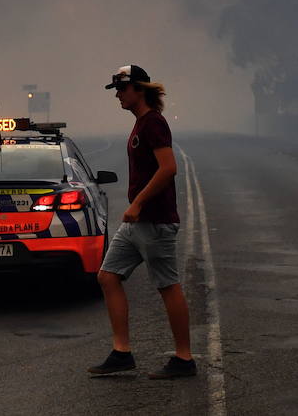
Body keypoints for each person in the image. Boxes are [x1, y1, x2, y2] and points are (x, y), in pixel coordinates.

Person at [88, 64, 196, 380]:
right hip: (137, 224)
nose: (118, 96)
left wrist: (137, 203)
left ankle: (184, 358)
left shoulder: (153, 124)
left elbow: (168, 168)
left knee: (167, 285)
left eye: (122, 90)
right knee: (108, 276)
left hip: (155, 220)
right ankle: (122, 353)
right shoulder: (140, 124)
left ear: (138, 89)